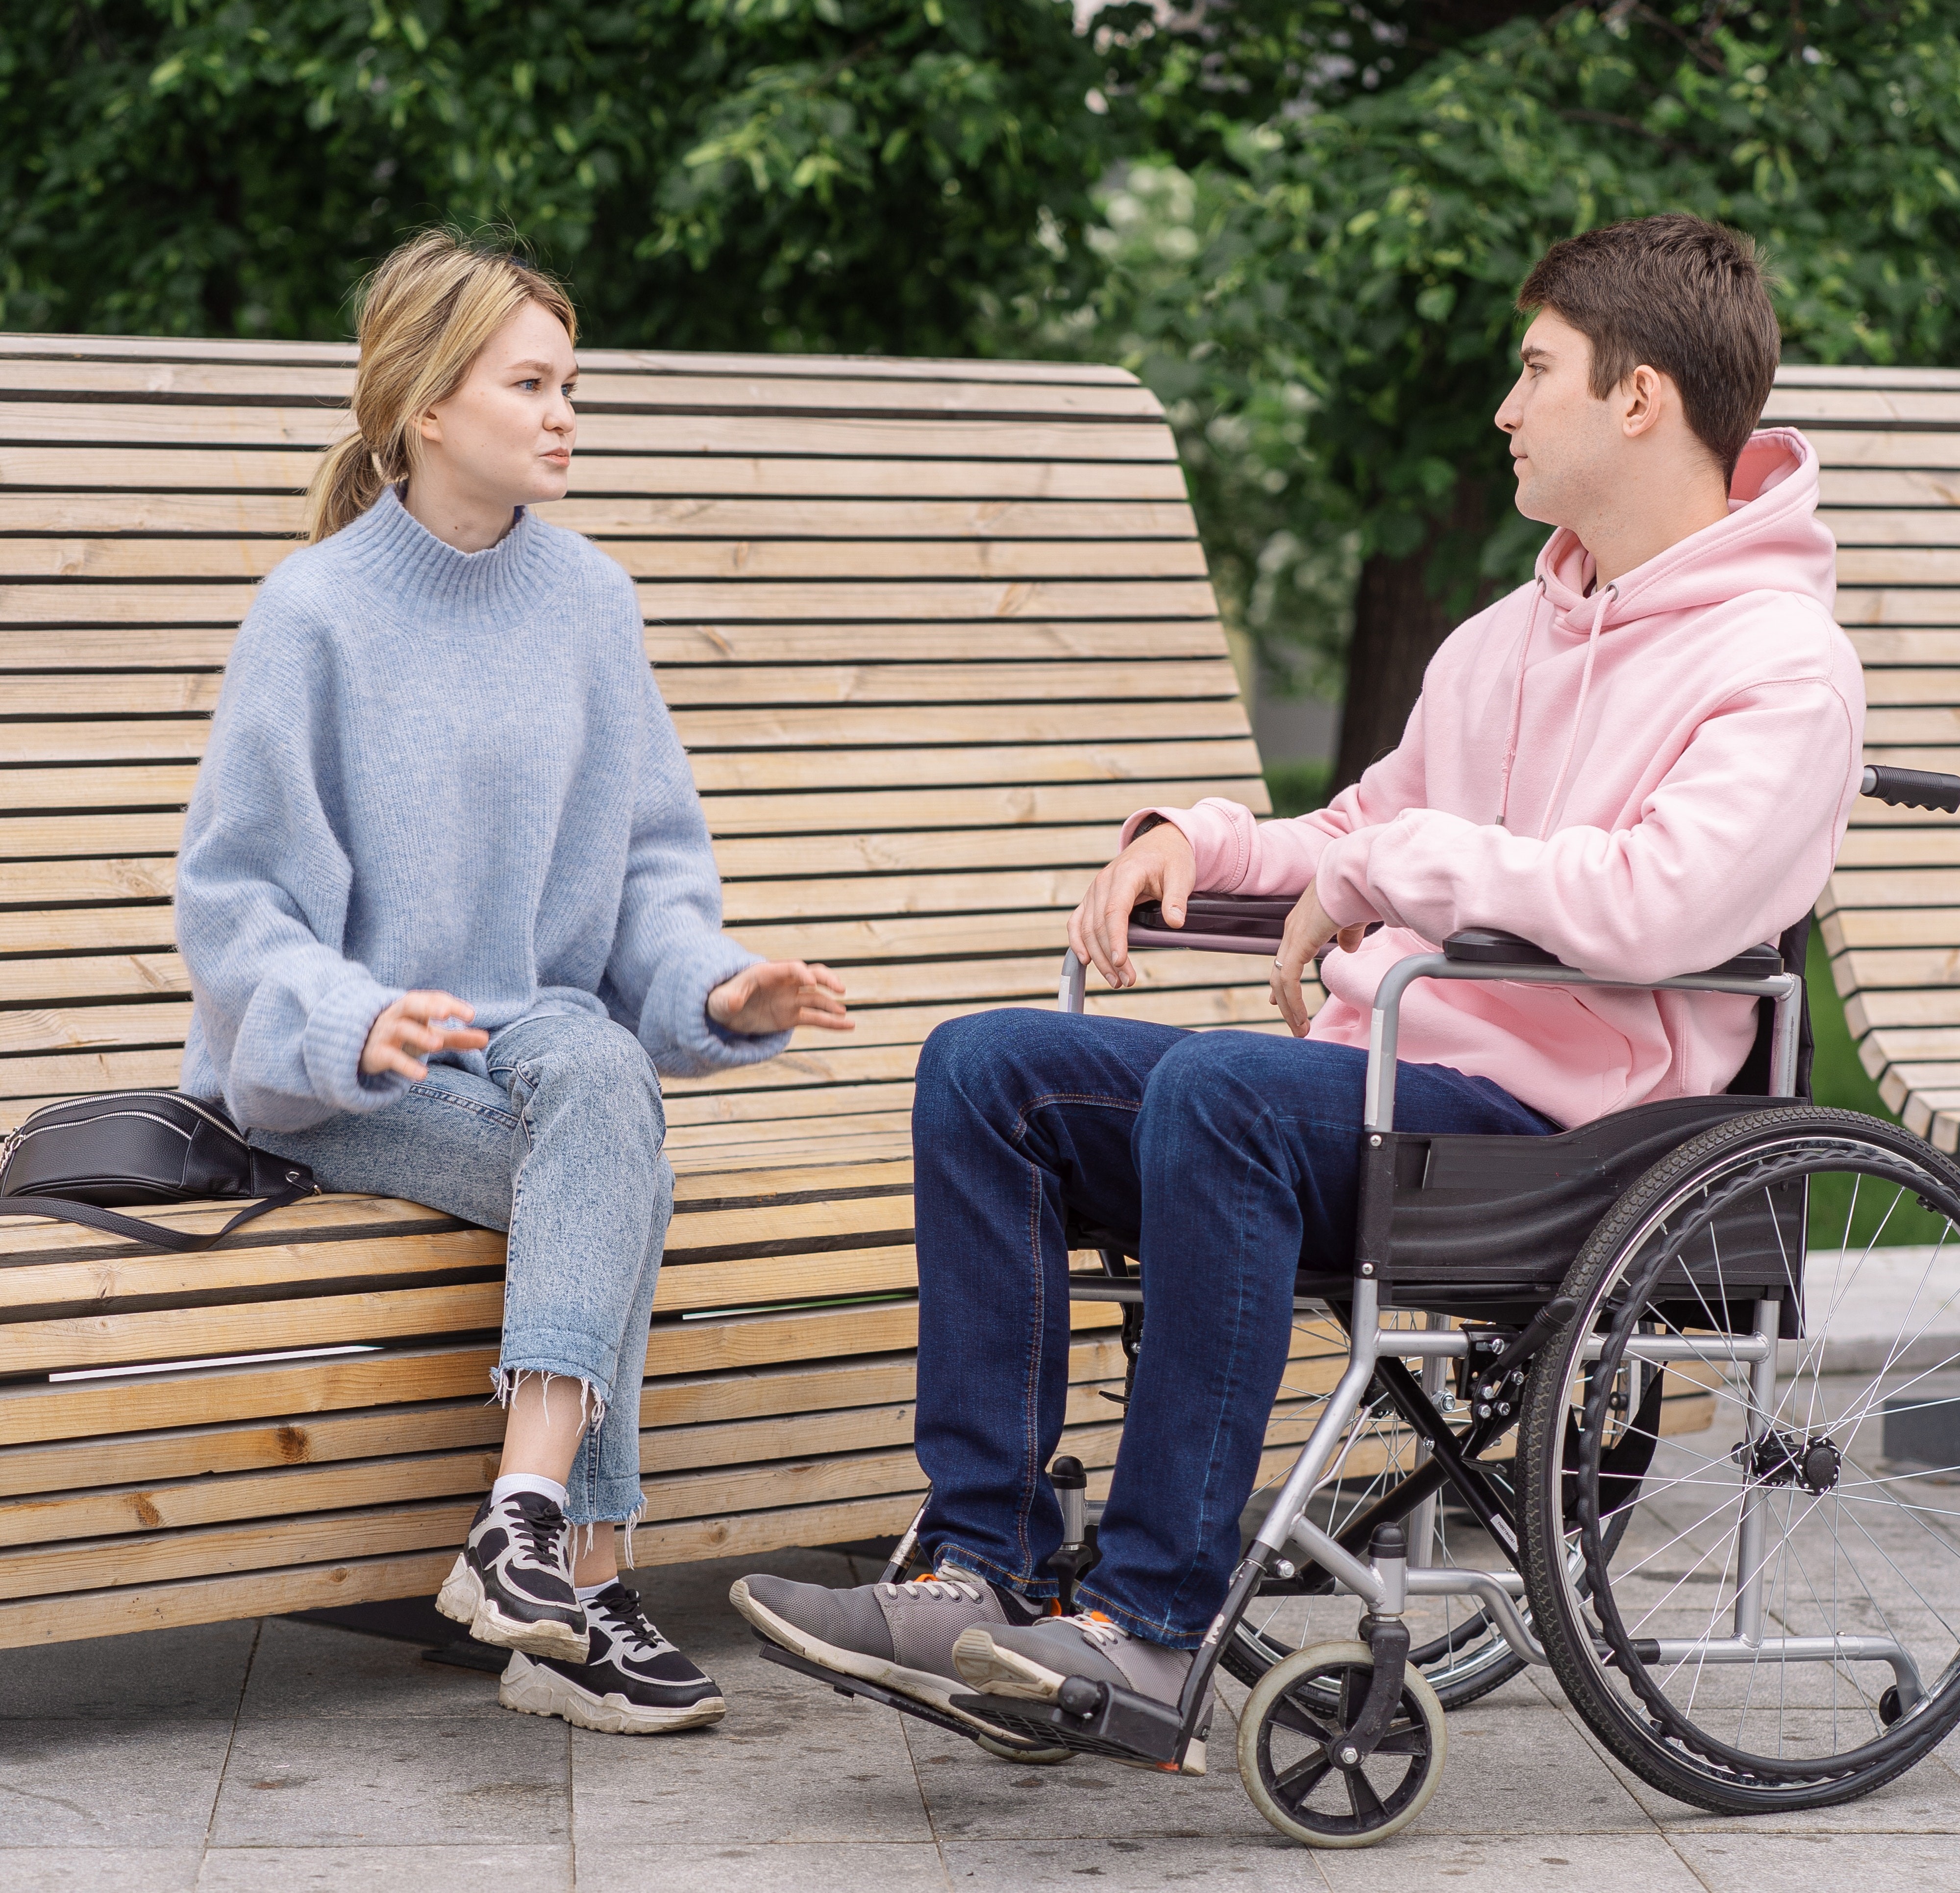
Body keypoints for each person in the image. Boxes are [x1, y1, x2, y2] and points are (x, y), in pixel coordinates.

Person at [729, 213, 1866, 1765]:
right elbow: (1359, 828)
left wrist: (1399, 873)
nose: (1505, 407)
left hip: (1572, 1133)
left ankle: (1144, 1629)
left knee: (1223, 1093)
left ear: (1640, 398)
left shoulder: (1781, 665)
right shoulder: (1502, 639)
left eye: (1534, 371)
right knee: (985, 1068)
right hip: (1393, 1089)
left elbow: (1660, 899)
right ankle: (972, 1566)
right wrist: (1192, 846)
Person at [174, 230, 852, 1737]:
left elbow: (654, 882)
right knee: (620, 1164)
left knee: (606, 1092)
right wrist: (360, 1015)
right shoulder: (314, 613)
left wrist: (722, 986)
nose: (565, 415)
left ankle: (523, 1524)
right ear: (426, 406)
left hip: (535, 1049)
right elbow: (237, 904)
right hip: (344, 1085)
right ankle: (584, 1593)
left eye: (572, 384)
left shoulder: (590, 604)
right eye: (530, 383)